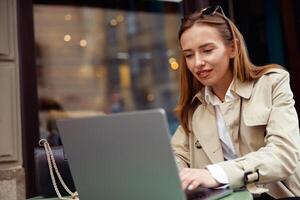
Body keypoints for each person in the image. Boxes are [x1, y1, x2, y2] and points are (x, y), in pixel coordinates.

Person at [171, 5, 300, 199]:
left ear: (233, 48)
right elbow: (176, 157)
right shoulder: (195, 109)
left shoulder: (272, 83)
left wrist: (215, 174)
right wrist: (176, 175)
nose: (197, 63)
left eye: (207, 50)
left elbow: (283, 155)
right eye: (189, 55)